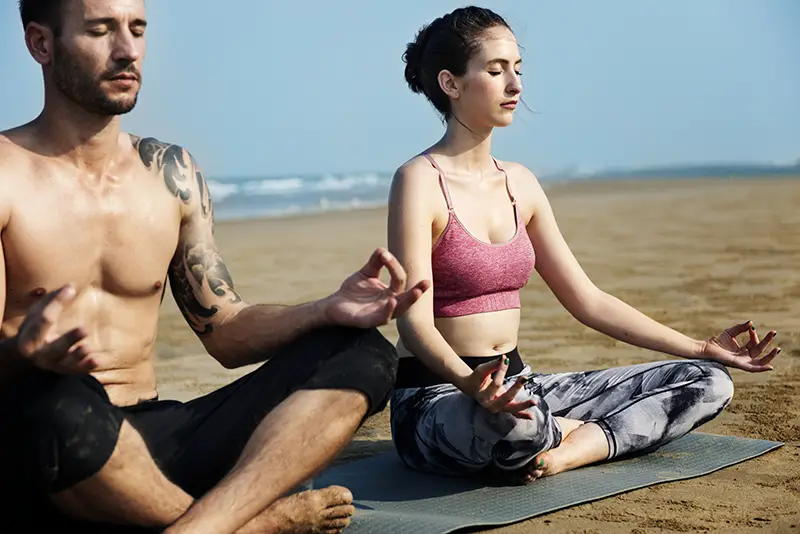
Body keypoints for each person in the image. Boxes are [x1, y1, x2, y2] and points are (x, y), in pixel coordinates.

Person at [0, 0, 430, 532]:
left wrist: (325, 311)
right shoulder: (5, 175)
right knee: (55, 395)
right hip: (41, 443)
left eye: (137, 29)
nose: (127, 50)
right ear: (41, 44)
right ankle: (257, 524)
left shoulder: (169, 172)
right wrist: (23, 356)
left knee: (360, 352)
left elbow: (224, 331)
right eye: (99, 30)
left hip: (151, 435)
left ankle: (198, 524)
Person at [386, 6, 780, 485]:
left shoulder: (521, 184)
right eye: (495, 70)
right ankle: (586, 436)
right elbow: (414, 320)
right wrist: (471, 384)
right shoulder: (418, 182)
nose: (515, 85)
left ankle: (573, 450)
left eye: (517, 69)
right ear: (451, 83)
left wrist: (700, 347)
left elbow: (587, 300)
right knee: (516, 424)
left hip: (517, 383)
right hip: (438, 397)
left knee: (707, 381)